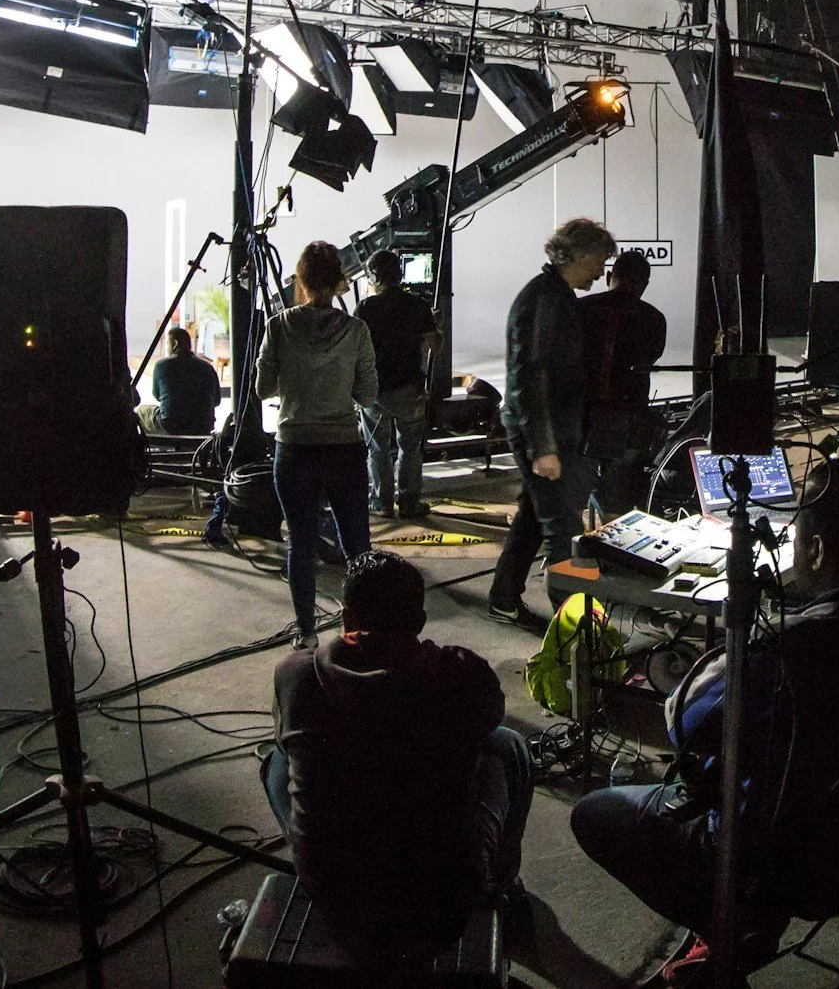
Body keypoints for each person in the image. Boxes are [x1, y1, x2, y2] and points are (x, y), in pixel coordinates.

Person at [570, 458, 839, 980]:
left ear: (816, 549)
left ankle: (733, 925)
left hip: (773, 858)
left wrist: (746, 644)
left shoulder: (792, 651)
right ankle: (743, 923)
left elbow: (684, 724)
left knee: (594, 813)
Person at [262, 551, 534, 960]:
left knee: (277, 761)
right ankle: (497, 885)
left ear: (346, 617)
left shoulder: (297, 674)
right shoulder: (461, 673)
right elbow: (489, 720)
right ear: (420, 622)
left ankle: (317, 864)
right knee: (509, 745)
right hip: (445, 903)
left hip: (336, 897)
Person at [484, 218, 616, 628]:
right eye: (599, 260)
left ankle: (503, 599)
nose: (602, 271)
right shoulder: (544, 299)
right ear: (578, 255)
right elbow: (531, 374)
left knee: (533, 518)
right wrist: (543, 448)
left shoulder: (555, 295)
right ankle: (577, 629)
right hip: (542, 433)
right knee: (563, 529)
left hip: (549, 430)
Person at [258, 241, 381, 644]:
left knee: (302, 545)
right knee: (357, 545)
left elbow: (262, 389)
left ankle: (307, 632)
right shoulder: (356, 331)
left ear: (301, 280)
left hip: (294, 448)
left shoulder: (278, 326)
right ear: (339, 280)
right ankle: (362, 629)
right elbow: (367, 394)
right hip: (343, 447)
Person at [579, 249, 669, 516]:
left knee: (574, 500)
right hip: (628, 422)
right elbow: (650, 356)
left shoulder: (580, 309)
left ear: (610, 276)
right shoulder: (654, 319)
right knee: (618, 506)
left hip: (581, 419)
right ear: (645, 284)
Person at [354, 250, 439, 519]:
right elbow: (435, 345)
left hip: (374, 391)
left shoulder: (365, 309)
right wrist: (436, 324)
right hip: (409, 389)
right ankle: (410, 502)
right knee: (410, 447)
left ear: (373, 277)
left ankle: (382, 502)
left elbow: (355, 350)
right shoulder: (417, 306)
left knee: (378, 448)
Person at [145, 326, 221, 438]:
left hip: (171, 425)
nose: (167, 347)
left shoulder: (161, 365)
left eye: (167, 343)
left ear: (175, 344)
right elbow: (216, 401)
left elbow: (157, 395)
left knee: (143, 412)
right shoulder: (207, 367)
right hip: (203, 426)